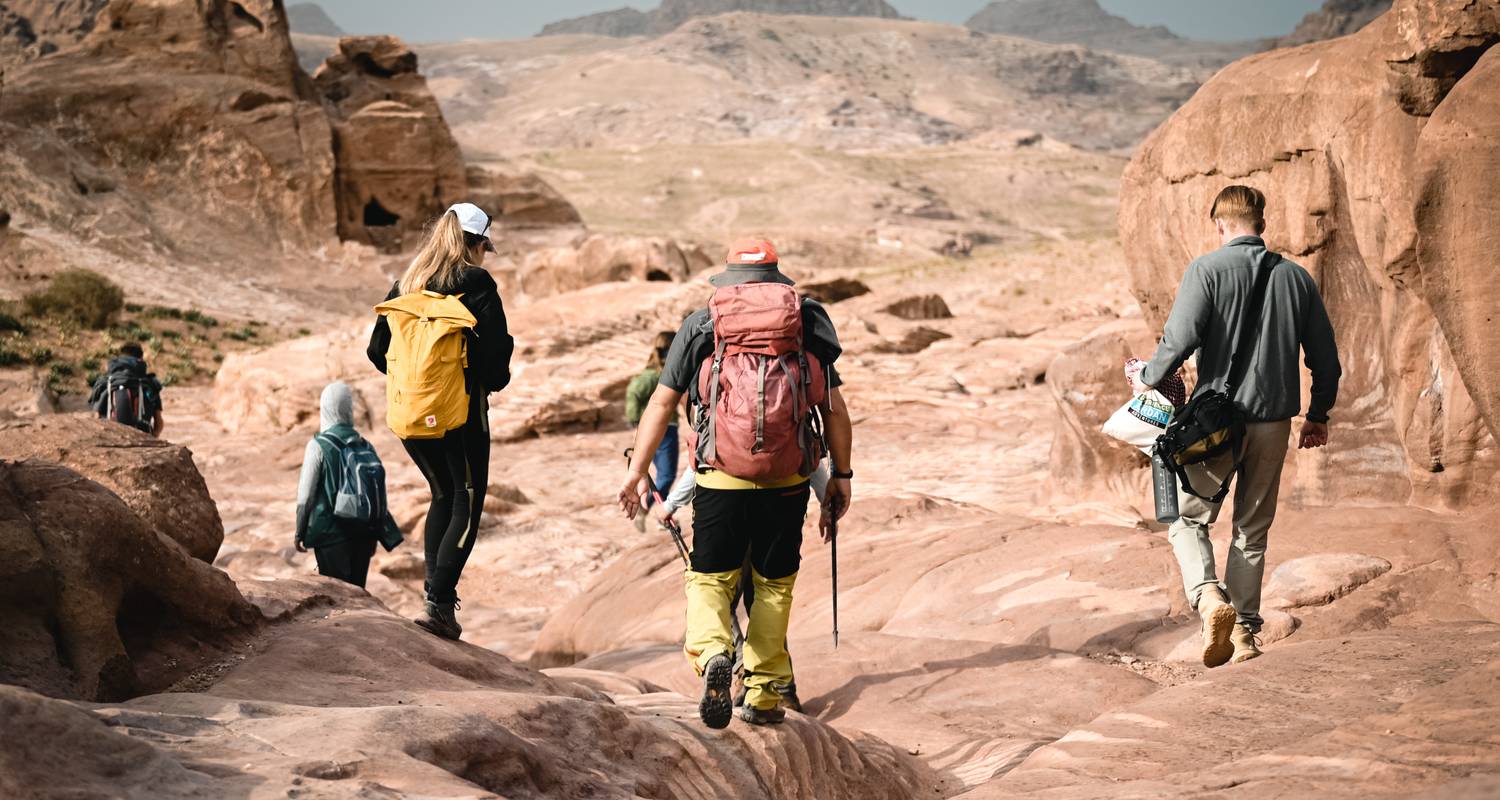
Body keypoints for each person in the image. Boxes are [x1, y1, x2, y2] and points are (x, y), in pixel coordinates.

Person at [618, 238, 854, 729]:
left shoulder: (704, 322)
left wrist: (637, 472)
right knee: (773, 587)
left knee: (710, 578)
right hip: (788, 479)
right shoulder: (807, 320)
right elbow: (834, 409)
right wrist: (841, 478)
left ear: (728, 279)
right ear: (776, 277)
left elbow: (661, 404)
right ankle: (765, 695)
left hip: (719, 478)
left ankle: (713, 656)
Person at [1130, 185, 1341, 668]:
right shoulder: (1296, 278)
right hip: (1274, 422)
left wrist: (1146, 377)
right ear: (1261, 224)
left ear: (1219, 225)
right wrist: (1318, 415)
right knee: (1252, 528)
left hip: (1215, 424)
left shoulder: (1206, 269)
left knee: (1185, 518)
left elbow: (1178, 340)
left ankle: (1209, 600)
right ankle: (1244, 635)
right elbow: (1326, 361)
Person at [367, 202, 514, 641]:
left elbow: (377, 352)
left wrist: (418, 384)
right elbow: (494, 359)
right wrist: (481, 378)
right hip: (462, 413)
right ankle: (439, 605)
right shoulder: (476, 282)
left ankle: (435, 600)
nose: (486, 254)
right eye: (485, 245)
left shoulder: (404, 285)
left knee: (442, 495)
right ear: (475, 243)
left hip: (411, 414)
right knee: (466, 501)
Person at [657, 459, 831, 713]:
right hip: (782, 498)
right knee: (769, 597)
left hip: (725, 503)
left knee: (714, 591)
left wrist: (670, 504)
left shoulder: (714, 416)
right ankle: (776, 689)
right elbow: (808, 448)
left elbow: (704, 455)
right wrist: (829, 500)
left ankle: (729, 662)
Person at [294, 381, 403, 588]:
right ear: (349, 409)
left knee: (340, 600)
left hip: (331, 536)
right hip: (364, 533)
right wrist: (375, 533)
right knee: (357, 595)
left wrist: (300, 531)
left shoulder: (318, 445)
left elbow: (305, 496)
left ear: (325, 407)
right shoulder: (364, 444)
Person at [625, 331, 678, 531]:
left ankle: (657, 511)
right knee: (666, 475)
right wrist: (638, 421)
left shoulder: (654, 372)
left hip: (659, 428)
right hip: (665, 429)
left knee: (660, 474)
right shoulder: (659, 374)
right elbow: (634, 392)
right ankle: (652, 511)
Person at [88, 342, 163, 436]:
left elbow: (95, 416)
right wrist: (153, 438)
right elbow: (159, 423)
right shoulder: (150, 384)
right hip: (143, 439)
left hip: (112, 438)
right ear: (140, 358)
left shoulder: (105, 382)